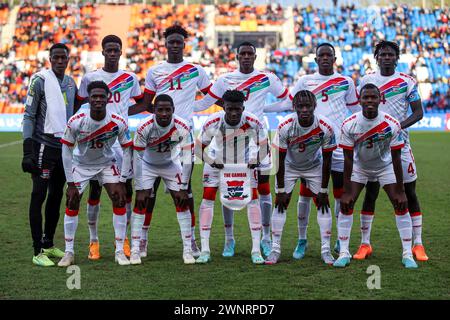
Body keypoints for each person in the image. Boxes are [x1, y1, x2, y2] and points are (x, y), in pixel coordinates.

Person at [194, 41, 289, 258]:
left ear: (255, 56)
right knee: (228, 189)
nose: (246, 57)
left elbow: (287, 102)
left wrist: (265, 109)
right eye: (242, 54)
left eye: (250, 53)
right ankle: (229, 240)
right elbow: (204, 103)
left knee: (262, 189)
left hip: (255, 140)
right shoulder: (225, 80)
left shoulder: (267, 77)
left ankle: (265, 238)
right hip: (226, 142)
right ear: (237, 56)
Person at [278, 43, 360, 258]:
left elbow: (355, 110)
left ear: (334, 59)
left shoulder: (345, 82)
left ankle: (339, 242)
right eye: (321, 55)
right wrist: (262, 109)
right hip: (313, 146)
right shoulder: (305, 81)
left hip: (341, 145)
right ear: (315, 60)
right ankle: (302, 239)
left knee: (339, 194)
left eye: (328, 55)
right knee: (305, 195)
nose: (325, 58)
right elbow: (291, 105)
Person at [142, 25, 212, 258]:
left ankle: (190, 241)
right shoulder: (154, 71)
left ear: (184, 44)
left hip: (183, 138)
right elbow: (146, 103)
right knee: (148, 191)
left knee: (185, 190)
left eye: (178, 42)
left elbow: (211, 95)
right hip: (157, 136)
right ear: (165, 44)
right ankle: (142, 240)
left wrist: (194, 108)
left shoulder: (196, 70)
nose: (174, 45)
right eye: (171, 41)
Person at [356, 40, 427, 261]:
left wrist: (397, 127)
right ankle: (365, 244)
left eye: (391, 54)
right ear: (376, 57)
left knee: (409, 193)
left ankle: (418, 244)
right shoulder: (367, 80)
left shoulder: (407, 81)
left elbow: (418, 113)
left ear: (397, 58)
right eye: (383, 54)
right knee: (371, 193)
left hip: (400, 145)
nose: (387, 57)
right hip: (371, 148)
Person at [74, 35, 144, 260]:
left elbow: (142, 103)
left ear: (121, 52)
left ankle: (124, 240)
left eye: (116, 50)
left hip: (121, 141)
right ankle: (93, 241)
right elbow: (80, 104)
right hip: (96, 142)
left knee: (125, 191)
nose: (113, 53)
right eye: (109, 50)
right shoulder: (90, 77)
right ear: (103, 52)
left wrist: (121, 117)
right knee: (94, 192)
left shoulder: (130, 78)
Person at [335, 83, 417, 269]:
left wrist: (400, 189)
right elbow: (348, 159)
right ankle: (344, 252)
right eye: (366, 97)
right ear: (360, 100)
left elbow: (396, 158)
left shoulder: (392, 124)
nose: (370, 101)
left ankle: (407, 253)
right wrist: (347, 190)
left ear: (380, 100)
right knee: (346, 203)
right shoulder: (350, 124)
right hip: (360, 167)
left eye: (373, 97)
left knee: (400, 202)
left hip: (385, 166)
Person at [58, 81, 133, 267]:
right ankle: (69, 252)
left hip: (106, 164)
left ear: (108, 98)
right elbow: (66, 149)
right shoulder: (77, 120)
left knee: (120, 198)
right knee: (72, 200)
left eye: (102, 96)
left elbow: (128, 149)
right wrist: (70, 183)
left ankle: (118, 252)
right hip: (81, 165)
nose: (98, 100)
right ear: (89, 99)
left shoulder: (118, 121)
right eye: (94, 97)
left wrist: (123, 179)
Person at [195, 90, 269, 264]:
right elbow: (198, 149)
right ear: (224, 107)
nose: (234, 113)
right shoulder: (213, 121)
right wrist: (212, 162)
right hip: (217, 161)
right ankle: (208, 249)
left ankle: (256, 250)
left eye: (238, 109)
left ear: (243, 107)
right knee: (208, 200)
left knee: (252, 199)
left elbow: (265, 147)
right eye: (230, 109)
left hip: (243, 163)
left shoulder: (252, 122)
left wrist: (256, 160)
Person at [22, 43, 77, 267]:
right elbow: (28, 115)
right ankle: (37, 250)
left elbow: (71, 116)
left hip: (63, 147)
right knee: (39, 195)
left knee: (56, 197)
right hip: (43, 146)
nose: (60, 61)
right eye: (56, 57)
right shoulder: (40, 80)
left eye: (64, 57)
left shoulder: (71, 83)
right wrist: (27, 151)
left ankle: (48, 243)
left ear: (68, 59)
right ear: (50, 58)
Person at [268, 90, 336, 265]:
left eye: (308, 106)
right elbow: (279, 159)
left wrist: (323, 189)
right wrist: (281, 190)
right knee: (281, 204)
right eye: (300, 106)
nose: (304, 110)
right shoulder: (285, 126)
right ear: (294, 107)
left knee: (323, 205)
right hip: (289, 167)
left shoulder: (326, 127)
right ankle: (275, 249)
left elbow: (328, 159)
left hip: (314, 166)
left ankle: (326, 250)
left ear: (315, 106)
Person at [130, 94, 194, 265]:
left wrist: (184, 186)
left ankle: (187, 249)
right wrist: (140, 185)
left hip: (171, 165)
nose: (164, 113)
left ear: (173, 110)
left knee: (182, 201)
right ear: (154, 111)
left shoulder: (182, 125)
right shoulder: (144, 126)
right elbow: (136, 158)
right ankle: (137, 247)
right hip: (147, 165)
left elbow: (188, 158)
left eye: (168, 110)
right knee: (141, 202)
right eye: (160, 110)